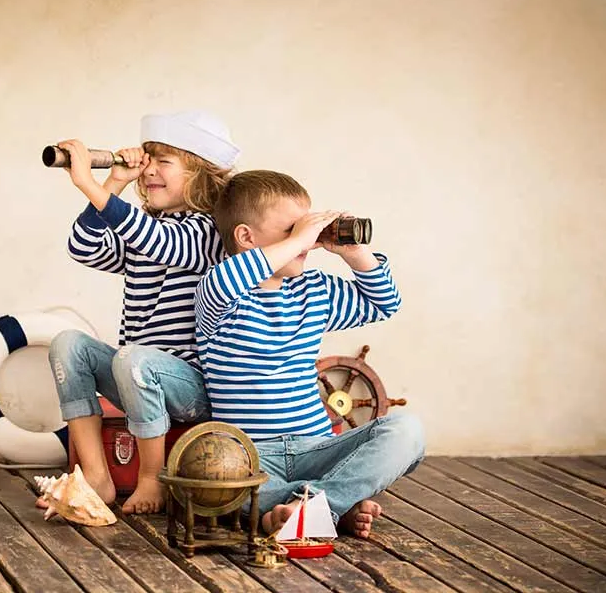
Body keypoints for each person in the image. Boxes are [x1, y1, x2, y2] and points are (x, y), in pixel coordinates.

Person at [194, 169, 425, 538]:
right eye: (292, 230)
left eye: (307, 229)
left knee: (408, 430)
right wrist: (301, 239)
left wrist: (354, 252)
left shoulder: (313, 290)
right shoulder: (220, 291)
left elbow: (385, 304)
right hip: (249, 457)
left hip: (317, 448)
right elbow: (232, 277)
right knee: (207, 479)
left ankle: (311, 504)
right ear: (246, 237)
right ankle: (331, 504)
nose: (307, 240)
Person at [48, 111, 239, 514]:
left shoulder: (208, 233)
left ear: (201, 175)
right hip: (134, 377)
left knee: (135, 358)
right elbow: (83, 248)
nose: (148, 170)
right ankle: (97, 478)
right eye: (147, 160)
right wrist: (113, 182)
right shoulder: (145, 228)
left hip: (191, 390)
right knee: (69, 345)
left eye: (163, 162)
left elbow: (157, 240)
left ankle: (151, 479)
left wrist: (88, 185)